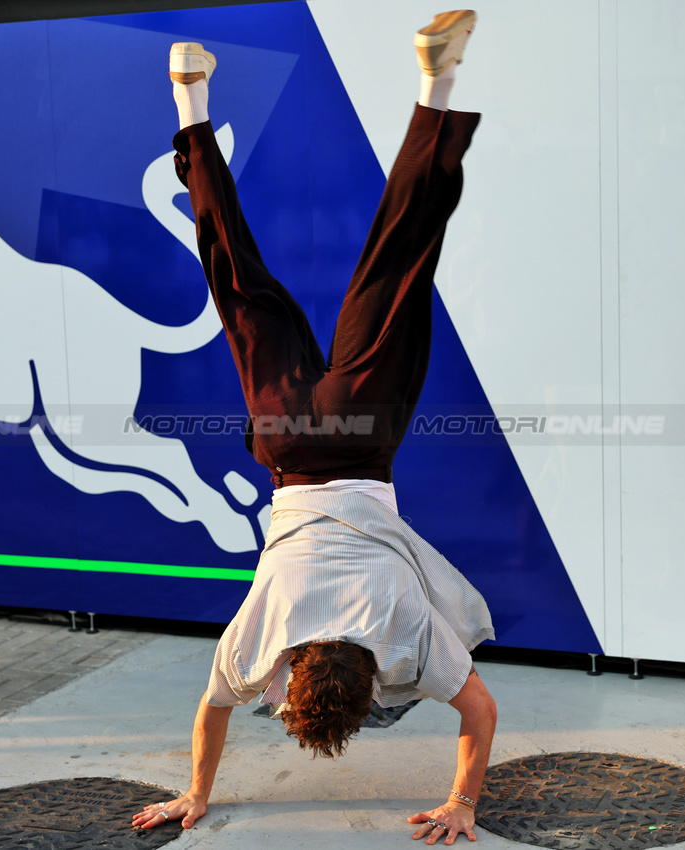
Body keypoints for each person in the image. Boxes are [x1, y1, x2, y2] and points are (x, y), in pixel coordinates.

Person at [132, 11, 495, 846]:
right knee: (236, 280)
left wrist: (462, 803)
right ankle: (190, 97)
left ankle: (435, 84)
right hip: (288, 443)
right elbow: (213, 710)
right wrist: (194, 796)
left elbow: (478, 709)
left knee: (397, 257)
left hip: (363, 433)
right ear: (297, 668)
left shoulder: (401, 626)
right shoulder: (268, 624)